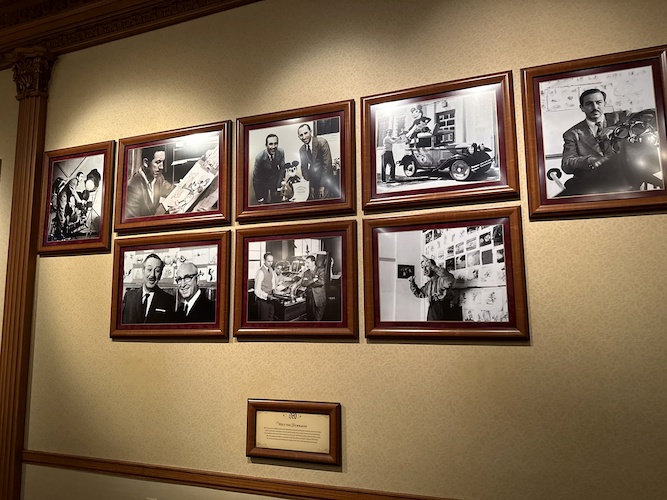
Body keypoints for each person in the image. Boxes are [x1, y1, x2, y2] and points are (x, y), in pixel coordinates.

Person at [559, 88, 629, 196]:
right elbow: (567, 164)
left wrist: (615, 128)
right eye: (589, 104)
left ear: (604, 103)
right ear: (582, 108)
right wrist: (590, 161)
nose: (595, 107)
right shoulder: (572, 134)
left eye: (598, 102)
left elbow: (652, 115)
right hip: (592, 185)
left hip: (623, 180)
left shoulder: (621, 117)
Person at [122, 253, 175, 324]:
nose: (152, 275)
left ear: (161, 274)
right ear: (143, 271)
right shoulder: (129, 296)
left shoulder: (168, 300)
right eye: (149, 269)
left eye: (157, 271)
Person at [125, 146, 174, 219]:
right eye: (158, 162)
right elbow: (133, 221)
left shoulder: (159, 178)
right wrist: (165, 214)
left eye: (163, 162)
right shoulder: (132, 187)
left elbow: (171, 189)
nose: (162, 167)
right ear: (145, 163)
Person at [408, 257, 460, 321]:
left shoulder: (441, 280)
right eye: (422, 267)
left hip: (443, 313)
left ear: (432, 266)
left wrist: (433, 267)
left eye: (426, 266)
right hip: (432, 314)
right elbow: (420, 293)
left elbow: (450, 279)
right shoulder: (429, 284)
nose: (424, 270)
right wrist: (412, 283)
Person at [297, 123, 333, 200]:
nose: (304, 137)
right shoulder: (302, 149)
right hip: (313, 182)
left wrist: (323, 186)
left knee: (323, 201)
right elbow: (304, 168)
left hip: (325, 180)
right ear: (298, 137)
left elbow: (327, 165)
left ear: (310, 131)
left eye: (306, 133)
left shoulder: (322, 142)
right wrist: (309, 186)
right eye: (301, 135)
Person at [253, 133, 285, 204]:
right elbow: (256, 179)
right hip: (263, 182)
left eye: (275, 143)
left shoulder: (281, 152)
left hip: (275, 180)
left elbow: (282, 169)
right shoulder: (259, 158)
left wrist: (279, 185)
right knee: (264, 204)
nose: (273, 147)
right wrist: (259, 197)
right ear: (266, 145)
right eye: (270, 144)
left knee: (277, 202)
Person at [292, 255, 327, 321]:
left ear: (313, 262)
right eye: (306, 263)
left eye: (308, 262)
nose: (306, 264)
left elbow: (321, 282)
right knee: (310, 318)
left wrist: (309, 284)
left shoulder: (320, 270)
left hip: (319, 299)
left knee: (318, 320)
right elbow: (303, 283)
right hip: (310, 299)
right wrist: (313, 280)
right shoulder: (306, 272)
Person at [254, 252, 278, 321]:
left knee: (271, 318)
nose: (270, 263)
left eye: (272, 261)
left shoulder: (271, 270)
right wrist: (267, 296)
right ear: (264, 260)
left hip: (270, 299)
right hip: (262, 300)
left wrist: (274, 289)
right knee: (264, 320)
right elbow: (257, 290)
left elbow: (272, 281)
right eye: (268, 261)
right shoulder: (260, 272)